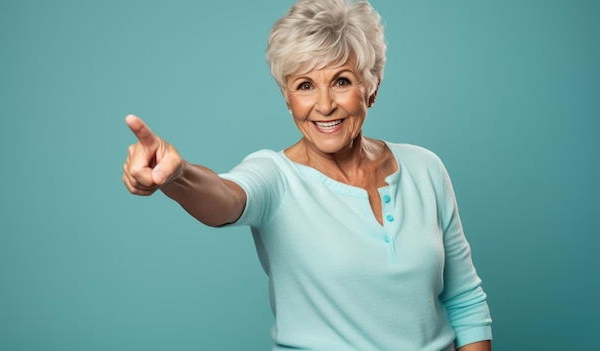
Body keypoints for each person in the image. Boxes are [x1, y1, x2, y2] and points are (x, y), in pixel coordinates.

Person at [122, 0, 492, 349]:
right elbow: (227, 197)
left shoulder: (425, 168)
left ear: (372, 87)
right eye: (305, 86)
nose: (325, 104)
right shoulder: (276, 177)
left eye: (342, 81)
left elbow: (464, 298)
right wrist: (177, 176)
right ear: (287, 98)